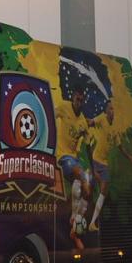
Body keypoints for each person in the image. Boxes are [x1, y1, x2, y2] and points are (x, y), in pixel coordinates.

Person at [86, 100, 132, 232]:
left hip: (104, 164)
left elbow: (120, 146)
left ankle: (93, 222)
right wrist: (83, 122)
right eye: (110, 109)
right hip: (96, 159)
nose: (112, 111)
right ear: (106, 111)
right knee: (90, 190)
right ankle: (81, 215)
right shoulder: (101, 118)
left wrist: (130, 157)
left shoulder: (115, 129)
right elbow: (91, 122)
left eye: (113, 109)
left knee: (104, 190)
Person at [57, 86, 92, 251]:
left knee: (86, 189)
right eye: (77, 99)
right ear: (73, 98)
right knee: (82, 178)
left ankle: (74, 226)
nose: (79, 102)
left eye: (82, 100)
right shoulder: (64, 107)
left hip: (74, 159)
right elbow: (49, 115)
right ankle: (74, 222)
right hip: (62, 157)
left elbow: (88, 145)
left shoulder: (83, 122)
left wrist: (93, 168)